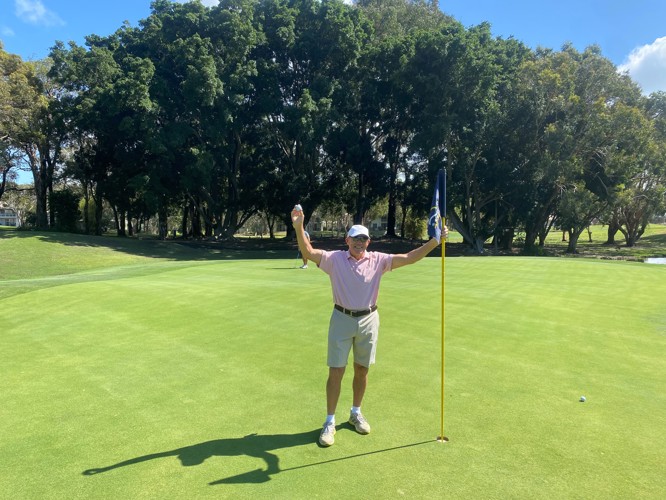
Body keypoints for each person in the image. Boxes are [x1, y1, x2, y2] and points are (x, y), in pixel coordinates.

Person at [291, 206, 448, 447]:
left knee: (362, 369)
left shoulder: (378, 260)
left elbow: (409, 258)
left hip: (369, 319)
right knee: (336, 371)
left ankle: (355, 413)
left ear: (368, 241)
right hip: (341, 318)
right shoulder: (334, 260)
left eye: (363, 239)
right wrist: (299, 227)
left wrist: (434, 242)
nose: (359, 243)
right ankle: (330, 421)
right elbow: (309, 251)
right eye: (355, 238)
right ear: (347, 240)